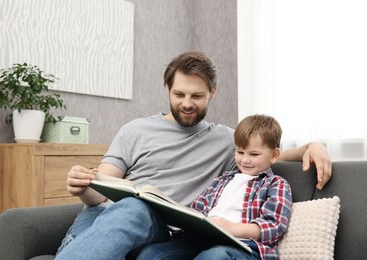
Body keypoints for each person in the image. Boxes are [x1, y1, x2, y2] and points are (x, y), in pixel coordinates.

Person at [55, 51, 331, 259]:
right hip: (110, 218)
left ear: (212, 92)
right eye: (179, 94)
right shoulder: (135, 131)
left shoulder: (226, 140)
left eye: (196, 96)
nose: (187, 104)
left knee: (139, 209)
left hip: (164, 232)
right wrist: (82, 187)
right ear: (167, 90)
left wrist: (311, 146)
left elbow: (265, 154)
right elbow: (101, 192)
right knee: (132, 206)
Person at [136, 114, 292, 260]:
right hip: (202, 241)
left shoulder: (276, 184)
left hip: (243, 247)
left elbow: (274, 226)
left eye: (254, 154)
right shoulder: (221, 180)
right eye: (240, 152)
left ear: (274, 155)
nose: (245, 160)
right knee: (150, 254)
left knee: (215, 256)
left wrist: (230, 228)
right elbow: (197, 210)